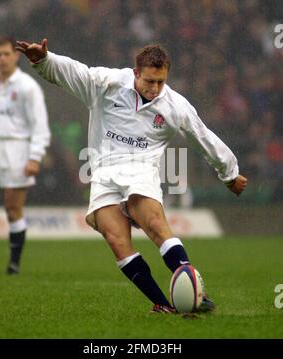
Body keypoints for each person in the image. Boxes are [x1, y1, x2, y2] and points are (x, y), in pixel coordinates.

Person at [16, 39, 247, 312]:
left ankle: (194, 289)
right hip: (102, 173)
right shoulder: (108, 84)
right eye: (150, 81)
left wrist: (229, 173)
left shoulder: (175, 105)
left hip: (141, 170)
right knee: (116, 240)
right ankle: (163, 305)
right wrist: (44, 60)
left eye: (161, 82)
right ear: (136, 73)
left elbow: (203, 137)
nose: (155, 88)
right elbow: (76, 72)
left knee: (154, 224)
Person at [0, 36, 51, 274]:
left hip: (17, 150)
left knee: (13, 209)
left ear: (15, 56)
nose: (2, 59)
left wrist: (35, 157)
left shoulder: (27, 87)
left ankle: (14, 264)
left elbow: (39, 125)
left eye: (6, 54)